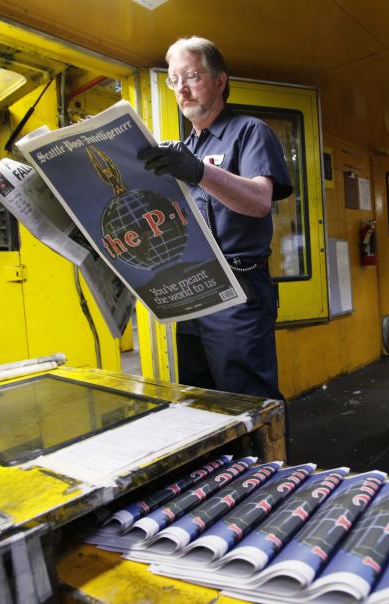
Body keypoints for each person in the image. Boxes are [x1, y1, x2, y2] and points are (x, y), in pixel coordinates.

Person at [138, 36, 292, 400]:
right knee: (201, 399)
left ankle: (266, 460)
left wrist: (197, 172)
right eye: (174, 81)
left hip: (239, 286)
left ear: (220, 80)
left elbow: (259, 202)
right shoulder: (184, 149)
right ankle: (225, 461)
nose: (182, 89)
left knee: (248, 400)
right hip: (191, 289)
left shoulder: (249, 131)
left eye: (191, 76)